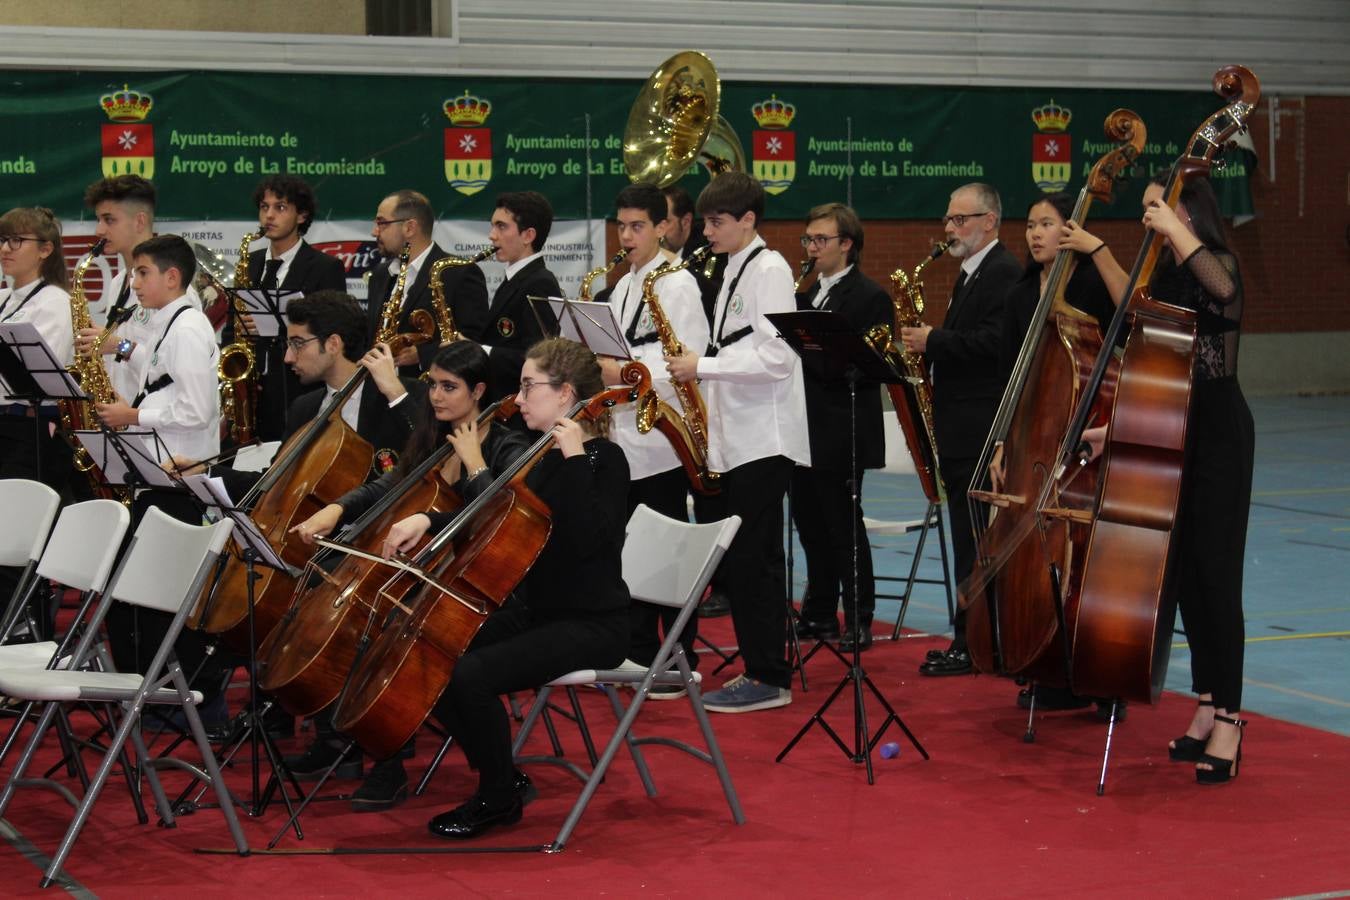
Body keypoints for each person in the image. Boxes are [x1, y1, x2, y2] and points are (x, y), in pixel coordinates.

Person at [380, 337, 630, 839]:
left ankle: (497, 799)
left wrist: (577, 456)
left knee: (470, 674)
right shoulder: (545, 457)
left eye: (528, 387)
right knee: (432, 650)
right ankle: (503, 776)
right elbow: (500, 515)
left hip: (593, 622)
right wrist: (427, 519)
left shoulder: (603, 459)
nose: (517, 400)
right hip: (543, 610)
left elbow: (591, 543)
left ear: (564, 395)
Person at [283, 340, 531, 810]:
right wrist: (334, 509)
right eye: (433, 385)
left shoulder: (506, 443)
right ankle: (347, 740)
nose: (435, 396)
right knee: (330, 583)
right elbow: (391, 483)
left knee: (383, 633)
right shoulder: (433, 437)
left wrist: (476, 463)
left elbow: (497, 523)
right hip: (429, 574)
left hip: (481, 589)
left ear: (479, 391)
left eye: (449, 387)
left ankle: (388, 758)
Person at [1076, 175, 1254, 784]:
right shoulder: (1167, 277)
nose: (1148, 215)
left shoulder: (1216, 264)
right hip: (1171, 431)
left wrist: (1173, 226)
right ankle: (1205, 704)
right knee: (1183, 580)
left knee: (1217, 575)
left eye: (1160, 204)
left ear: (1187, 209)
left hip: (1219, 436)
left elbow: (1224, 290)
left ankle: (1231, 718)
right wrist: (1116, 428)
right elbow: (1146, 349)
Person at [665, 172, 810, 713]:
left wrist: (701, 366)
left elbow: (779, 356)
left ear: (749, 220)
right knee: (745, 557)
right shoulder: (733, 269)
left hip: (765, 436)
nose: (707, 231)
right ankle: (759, 665)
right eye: (705, 221)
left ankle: (768, 674)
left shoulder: (769, 269)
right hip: (739, 434)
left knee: (755, 559)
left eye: (717, 222)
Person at [75, 236, 222, 687]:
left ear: (172, 277)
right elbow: (152, 366)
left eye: (142, 273)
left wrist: (134, 414)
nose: (133, 282)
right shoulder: (165, 320)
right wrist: (114, 349)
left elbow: (200, 409)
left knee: (165, 590)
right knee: (144, 589)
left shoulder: (189, 328)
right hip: (154, 471)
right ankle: (150, 681)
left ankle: (192, 690)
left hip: (179, 475)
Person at [997, 192, 1121, 719]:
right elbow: (1014, 374)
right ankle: (1047, 664)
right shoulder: (1023, 289)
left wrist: (1098, 251)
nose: (1035, 233)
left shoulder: (1090, 281)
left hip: (1083, 435)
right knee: (1037, 554)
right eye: (1030, 224)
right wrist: (1004, 438)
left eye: (1047, 223)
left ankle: (1101, 676)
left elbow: (1128, 330)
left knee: (1088, 562)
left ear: (1070, 227)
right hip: (1032, 437)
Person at [900, 182, 1021, 677]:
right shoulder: (972, 274)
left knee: (976, 543)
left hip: (979, 427)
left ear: (989, 221)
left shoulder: (1003, 272)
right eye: (948, 219)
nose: (950, 229)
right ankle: (970, 637)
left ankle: (974, 643)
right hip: (959, 424)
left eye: (960, 220)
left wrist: (934, 341)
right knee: (966, 540)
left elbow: (993, 345)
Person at [596, 183, 709, 696]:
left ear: (663, 227)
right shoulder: (622, 285)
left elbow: (685, 363)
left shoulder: (678, 284)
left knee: (665, 550)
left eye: (638, 226)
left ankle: (677, 655)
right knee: (629, 549)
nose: (628, 235)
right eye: (622, 226)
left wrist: (618, 369)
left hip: (663, 438)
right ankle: (638, 650)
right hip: (626, 435)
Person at [175, 291, 422, 499]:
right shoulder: (304, 407)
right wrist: (205, 471)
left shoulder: (401, 396)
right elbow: (272, 483)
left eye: (297, 343)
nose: (288, 357)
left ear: (334, 344)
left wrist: (396, 394)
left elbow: (428, 457)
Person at [789, 203, 892, 652]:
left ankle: (859, 617)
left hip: (842, 428)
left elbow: (872, 365)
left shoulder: (870, 296)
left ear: (846, 244)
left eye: (820, 240)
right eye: (807, 239)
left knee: (844, 527)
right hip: (804, 428)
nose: (811, 248)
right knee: (810, 524)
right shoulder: (809, 294)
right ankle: (818, 613)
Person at [240, 175, 347, 441]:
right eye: (264, 207)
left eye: (281, 207)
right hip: (251, 393)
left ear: (301, 216)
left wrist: (277, 326)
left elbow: (332, 329)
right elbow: (238, 323)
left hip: (296, 391)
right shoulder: (250, 263)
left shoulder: (325, 267)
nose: (269, 216)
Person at [82, 175, 201, 404]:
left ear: (139, 221)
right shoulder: (118, 282)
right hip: (123, 420)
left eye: (109, 220)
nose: (99, 229)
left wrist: (119, 345)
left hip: (155, 425)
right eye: (98, 219)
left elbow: (175, 369)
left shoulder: (173, 288)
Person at [366, 189, 489, 378]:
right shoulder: (380, 274)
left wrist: (423, 355)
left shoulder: (459, 273)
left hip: (429, 395)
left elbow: (473, 342)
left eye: (382, 223)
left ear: (410, 228)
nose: (374, 231)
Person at [0, 207, 73, 493]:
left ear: (45, 250)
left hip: (28, 430)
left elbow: (38, 378)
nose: (6, 248)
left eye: (16, 240)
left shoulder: (54, 302)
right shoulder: (5, 297)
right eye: (3, 239)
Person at [477, 191, 561, 405]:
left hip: (517, 409)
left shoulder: (540, 283)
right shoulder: (516, 277)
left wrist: (480, 350)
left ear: (528, 235)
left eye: (501, 226)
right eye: (492, 226)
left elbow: (538, 359)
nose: (492, 235)